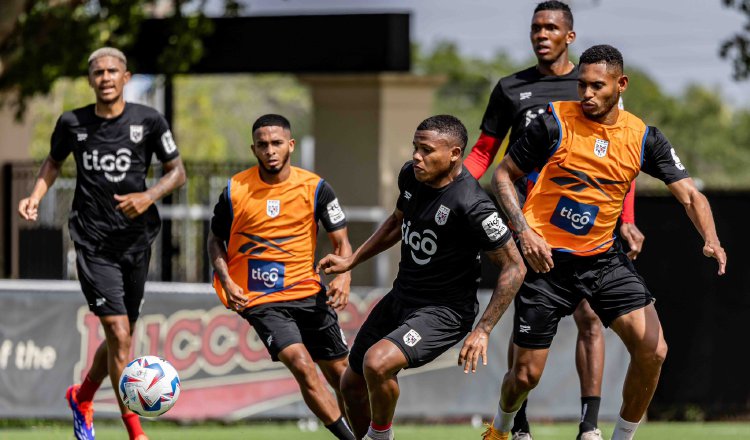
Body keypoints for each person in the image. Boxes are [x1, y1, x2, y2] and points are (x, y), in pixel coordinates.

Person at [481, 45, 726, 440]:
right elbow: (502, 175)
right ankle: (502, 427)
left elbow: (691, 195)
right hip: (545, 260)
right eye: (582, 85)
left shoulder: (643, 137)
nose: (587, 94)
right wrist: (523, 233)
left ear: (620, 84)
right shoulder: (552, 123)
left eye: (597, 86)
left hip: (602, 259)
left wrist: (712, 239)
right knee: (525, 375)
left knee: (654, 350)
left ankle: (619, 436)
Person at [465, 3, 645, 438]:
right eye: (535, 27)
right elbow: (485, 153)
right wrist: (454, 195)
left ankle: (589, 426)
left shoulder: (592, 83)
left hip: (589, 229)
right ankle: (517, 424)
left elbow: (620, 161)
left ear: (570, 36)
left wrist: (627, 219)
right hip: (526, 223)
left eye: (551, 27)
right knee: (525, 325)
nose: (541, 34)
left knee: (589, 318)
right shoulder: (511, 88)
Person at [317, 115, 526, 440]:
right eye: (416, 147)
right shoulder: (411, 177)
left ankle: (380, 437)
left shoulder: (473, 205)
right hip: (401, 298)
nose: (417, 156)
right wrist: (350, 261)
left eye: (426, 150)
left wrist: (483, 330)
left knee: (377, 362)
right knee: (351, 384)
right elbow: (395, 224)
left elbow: (515, 266)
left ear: (455, 154)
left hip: (444, 312)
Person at [18, 47, 187, 440]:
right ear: (90, 79)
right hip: (92, 241)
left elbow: (177, 172)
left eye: (113, 71)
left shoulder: (149, 121)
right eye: (98, 72)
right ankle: (135, 430)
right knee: (117, 330)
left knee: (121, 335)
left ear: (126, 78)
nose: (106, 77)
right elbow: (53, 161)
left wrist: (148, 197)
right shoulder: (72, 122)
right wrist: (35, 196)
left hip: (137, 240)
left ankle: (82, 396)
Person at [206, 114, 356, 440]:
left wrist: (344, 276)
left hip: (308, 292)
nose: (270, 151)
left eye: (276, 143)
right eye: (262, 145)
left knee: (342, 376)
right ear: (253, 148)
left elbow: (342, 241)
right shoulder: (235, 189)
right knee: (301, 365)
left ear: (290, 145)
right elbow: (215, 240)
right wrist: (227, 281)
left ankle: (368, 435)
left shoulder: (316, 188)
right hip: (260, 299)